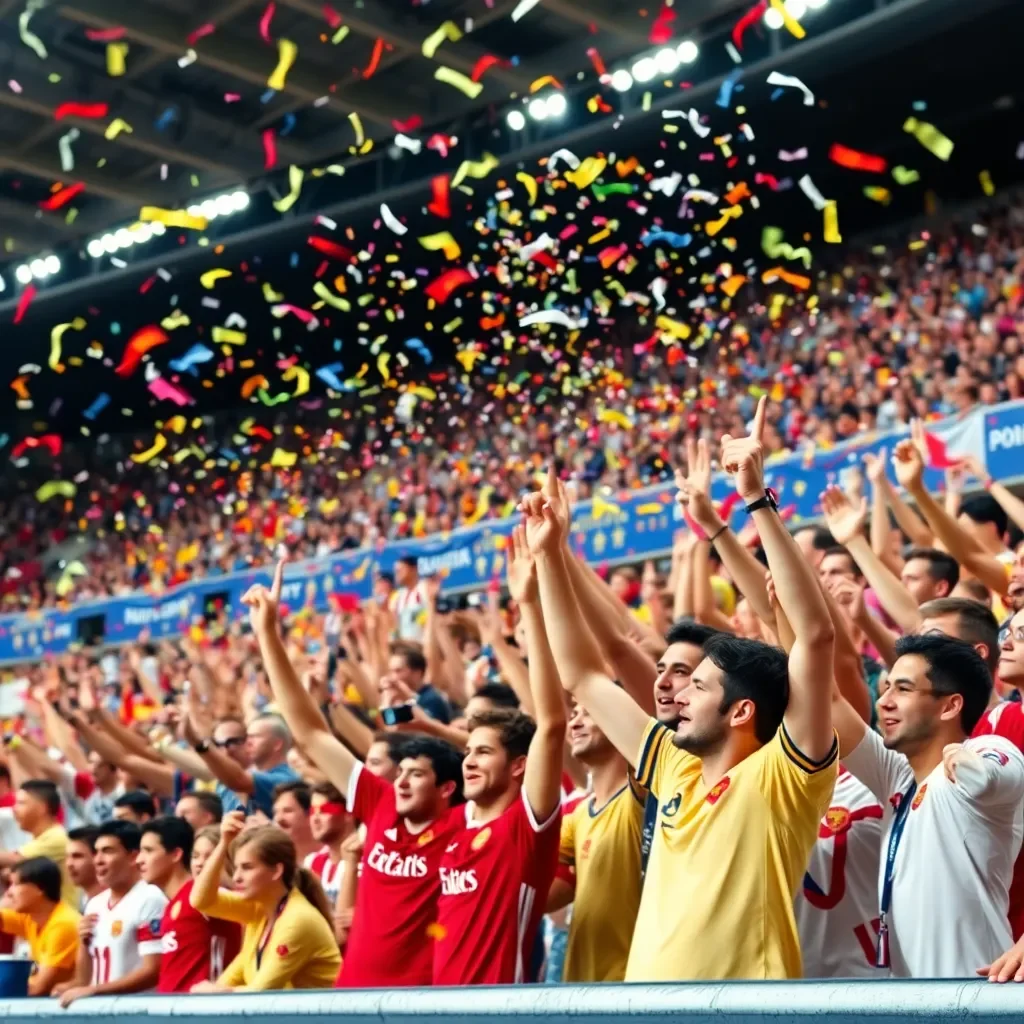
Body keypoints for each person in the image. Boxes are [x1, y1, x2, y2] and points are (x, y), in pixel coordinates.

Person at [536, 403, 839, 980]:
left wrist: (755, 500)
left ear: (741, 711)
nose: (677, 695)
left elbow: (817, 637)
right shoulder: (672, 764)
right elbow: (584, 675)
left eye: (698, 685)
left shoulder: (784, 778)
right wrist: (551, 554)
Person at [240, 561, 465, 988]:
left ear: (448, 788)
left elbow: (522, 755)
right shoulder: (379, 802)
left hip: (425, 1002)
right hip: (353, 995)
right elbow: (308, 731)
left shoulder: (463, 826)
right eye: (400, 772)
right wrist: (268, 634)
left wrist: (436, 728)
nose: (400, 781)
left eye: (416, 775)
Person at [832, 631, 1024, 977]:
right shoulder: (896, 777)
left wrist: (969, 766)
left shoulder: (986, 750)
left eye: (903, 689)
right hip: (911, 1001)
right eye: (886, 687)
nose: (884, 701)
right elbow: (824, 698)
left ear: (950, 705)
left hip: (981, 997)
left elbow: (993, 774)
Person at [430, 519, 566, 985]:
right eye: (468, 751)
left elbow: (551, 723)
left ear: (519, 766)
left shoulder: (526, 829)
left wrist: (528, 603)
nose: (468, 760)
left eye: (483, 752)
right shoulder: (452, 835)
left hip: (499, 1010)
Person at [189, 810, 340, 991]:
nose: (236, 877)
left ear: (276, 871)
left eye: (247, 867)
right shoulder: (259, 909)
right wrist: (224, 843)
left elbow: (261, 994)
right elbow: (201, 901)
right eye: (236, 868)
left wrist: (217, 992)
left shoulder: (297, 919)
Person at [547, 698, 644, 982]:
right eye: (573, 714)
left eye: (588, 714)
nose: (574, 723)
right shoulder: (577, 814)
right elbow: (548, 897)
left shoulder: (643, 794)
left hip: (631, 983)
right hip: (579, 983)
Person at [57, 819, 167, 1006]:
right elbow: (84, 979)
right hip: (101, 1012)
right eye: (96, 852)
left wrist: (95, 990)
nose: (98, 860)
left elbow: (154, 970)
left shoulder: (150, 898)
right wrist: (83, 942)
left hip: (137, 1013)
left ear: (133, 857)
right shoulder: (95, 904)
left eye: (108, 851)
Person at [137, 816, 240, 993]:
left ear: (176, 854)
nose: (139, 860)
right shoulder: (172, 904)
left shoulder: (209, 898)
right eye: (196, 856)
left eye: (148, 850)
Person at [182, 713, 300, 817]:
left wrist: (198, 743)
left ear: (277, 744)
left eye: (255, 737)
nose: (247, 742)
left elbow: (239, 781)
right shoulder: (230, 782)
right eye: (247, 737)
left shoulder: (287, 780)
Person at [0, 857, 80, 994]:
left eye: (15, 884)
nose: (9, 893)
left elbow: (38, 989)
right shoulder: (31, 916)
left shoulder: (63, 925)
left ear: (39, 888)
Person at [0, 780, 78, 907]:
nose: (14, 809)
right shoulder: (39, 838)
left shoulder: (56, 836)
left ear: (42, 807)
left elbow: (15, 859)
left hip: (58, 920)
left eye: (21, 803)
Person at [304, 783, 353, 909]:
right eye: (312, 811)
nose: (315, 818)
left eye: (324, 810)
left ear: (348, 814)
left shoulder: (367, 862)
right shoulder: (312, 862)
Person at [387, 643, 452, 724]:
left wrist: (408, 699)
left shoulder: (432, 698)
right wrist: (387, 701)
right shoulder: (398, 698)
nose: (392, 677)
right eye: (391, 671)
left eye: (398, 671)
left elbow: (427, 726)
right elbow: (387, 722)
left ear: (417, 673)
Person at [272, 781, 318, 863]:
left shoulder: (336, 856)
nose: (279, 819)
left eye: (287, 811)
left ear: (311, 814)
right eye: (276, 812)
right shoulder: (274, 860)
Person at [390, 555, 427, 642]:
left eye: (400, 570)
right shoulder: (399, 596)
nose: (397, 574)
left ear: (413, 569)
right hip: (406, 647)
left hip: (423, 645)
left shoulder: (425, 589)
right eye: (396, 571)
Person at [65, 827, 102, 908]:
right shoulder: (84, 900)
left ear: (98, 857)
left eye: (77, 856)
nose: (69, 864)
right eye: (67, 857)